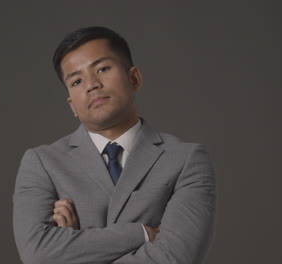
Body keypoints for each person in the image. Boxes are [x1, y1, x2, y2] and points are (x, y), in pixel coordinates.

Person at [13, 26, 216, 264]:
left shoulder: (186, 159)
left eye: (102, 69)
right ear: (72, 106)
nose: (91, 85)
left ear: (134, 78)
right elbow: (37, 254)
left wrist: (75, 245)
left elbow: (176, 257)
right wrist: (141, 233)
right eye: (77, 80)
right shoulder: (42, 163)